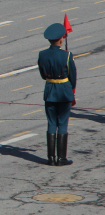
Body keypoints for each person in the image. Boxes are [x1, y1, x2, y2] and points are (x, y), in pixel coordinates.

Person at [38, 22, 77, 166]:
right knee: (63, 124)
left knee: (51, 122)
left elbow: (43, 75)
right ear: (61, 39)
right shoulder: (67, 55)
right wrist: (72, 91)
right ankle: (61, 158)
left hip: (50, 90)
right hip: (64, 91)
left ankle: (51, 158)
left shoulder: (42, 54)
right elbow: (73, 76)